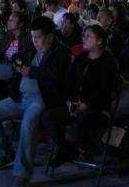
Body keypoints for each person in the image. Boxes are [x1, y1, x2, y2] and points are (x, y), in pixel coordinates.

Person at [0, 16, 71, 187]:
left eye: (39, 37)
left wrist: (32, 71)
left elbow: (54, 75)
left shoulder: (61, 52)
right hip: (20, 96)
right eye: (33, 37)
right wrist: (17, 62)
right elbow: (18, 54)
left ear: (50, 36)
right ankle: (1, 154)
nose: (35, 41)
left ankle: (22, 173)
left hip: (42, 99)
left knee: (28, 124)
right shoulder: (31, 45)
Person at [43, 24, 119, 167]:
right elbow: (69, 82)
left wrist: (85, 105)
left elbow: (104, 91)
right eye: (83, 35)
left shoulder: (108, 62)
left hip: (96, 108)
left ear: (100, 40)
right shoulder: (81, 58)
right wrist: (70, 102)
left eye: (88, 36)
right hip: (75, 105)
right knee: (48, 117)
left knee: (79, 124)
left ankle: (86, 150)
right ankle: (68, 149)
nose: (83, 38)